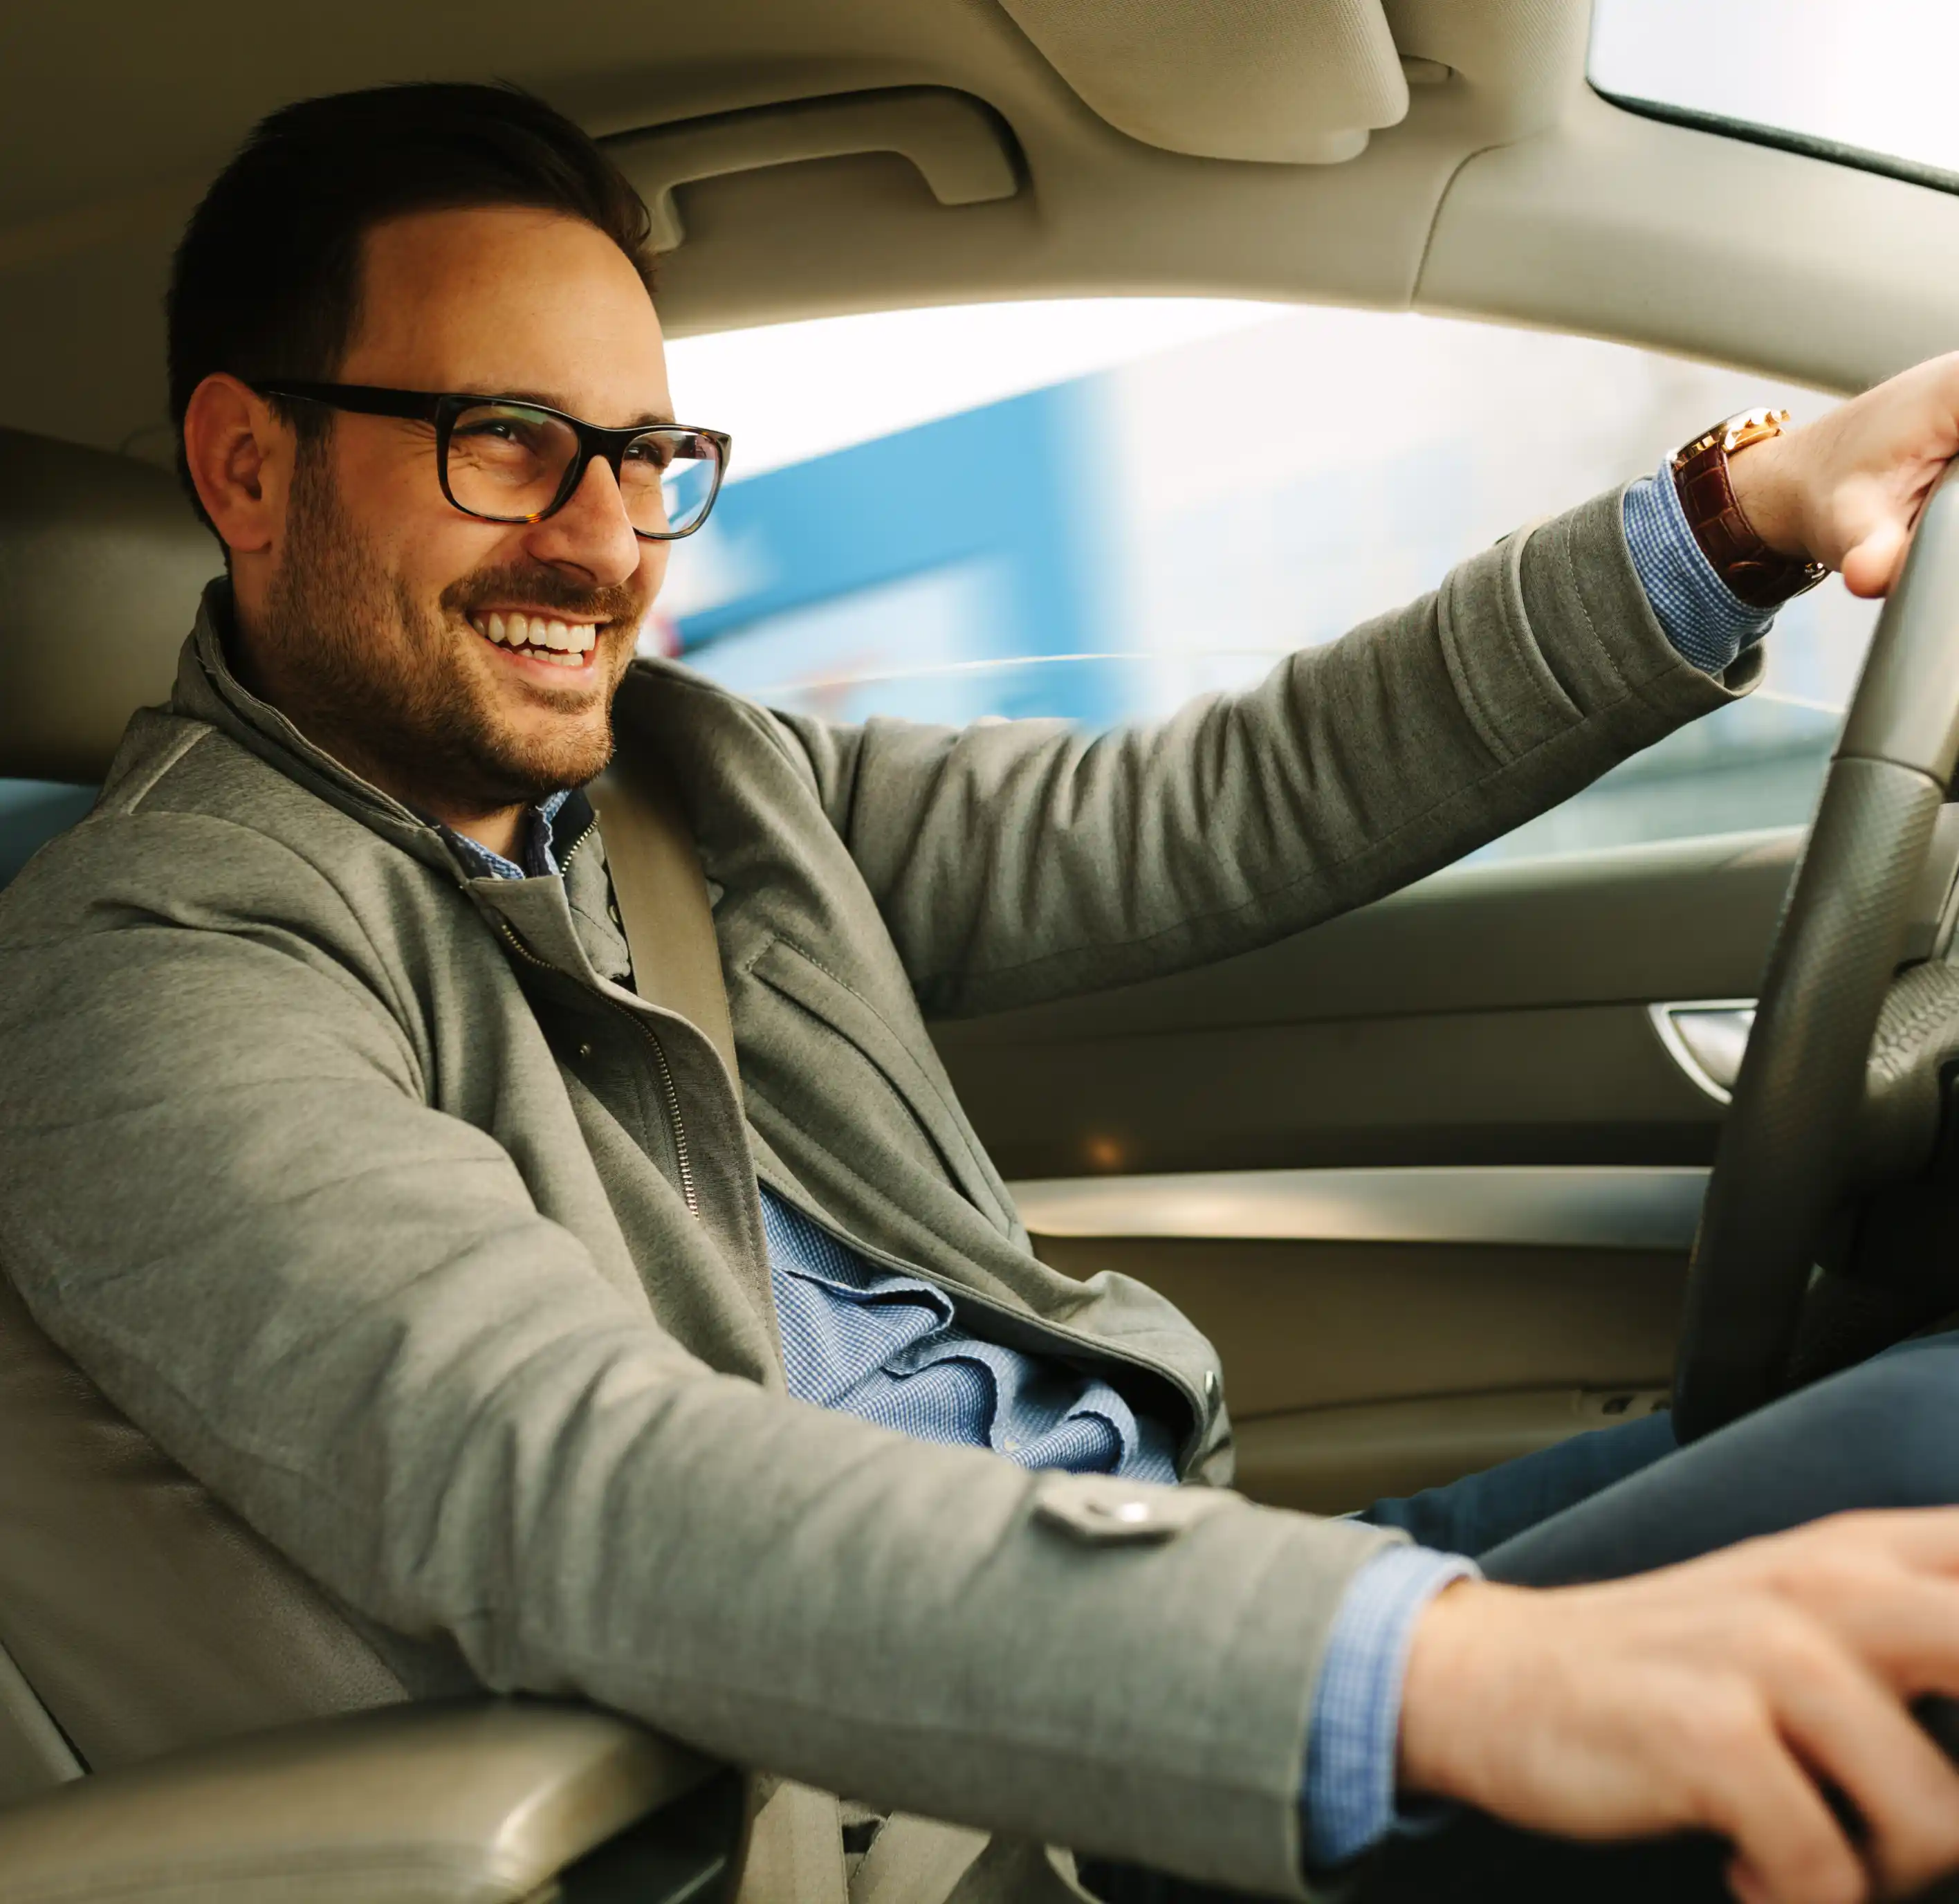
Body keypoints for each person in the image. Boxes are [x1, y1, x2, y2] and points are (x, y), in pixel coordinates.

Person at [5, 77, 1959, 1904]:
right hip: (1008, 1802)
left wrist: (1744, 519)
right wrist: (1451, 1682)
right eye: (507, 439)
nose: (604, 540)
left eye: (647, 455)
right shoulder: (140, 972)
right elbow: (561, 1469)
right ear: (248, 467)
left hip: (1209, 1601)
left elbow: (1214, 806)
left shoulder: (689, 781)